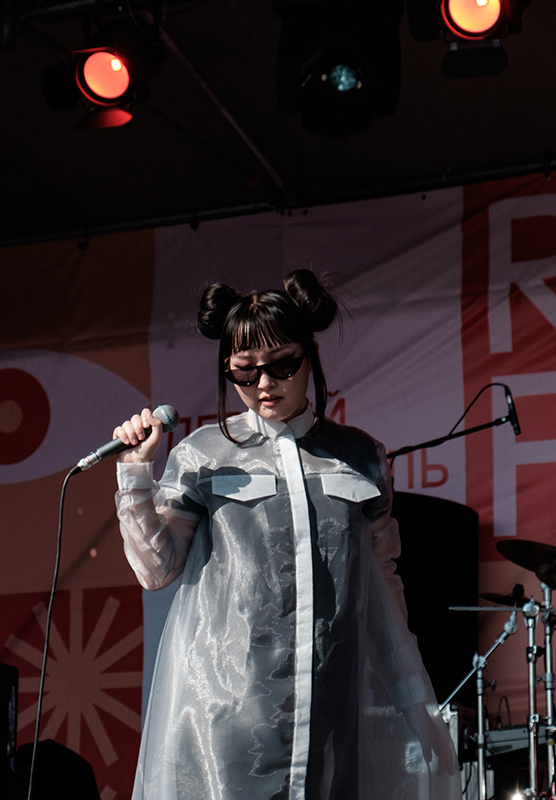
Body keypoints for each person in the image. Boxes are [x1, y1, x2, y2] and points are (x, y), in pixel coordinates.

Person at [112, 270, 460, 799]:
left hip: (332, 705)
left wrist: (408, 694)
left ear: (310, 355)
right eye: (244, 371)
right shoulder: (202, 455)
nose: (264, 384)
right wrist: (135, 472)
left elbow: (383, 587)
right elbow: (156, 569)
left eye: (282, 364)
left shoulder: (360, 456)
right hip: (228, 711)